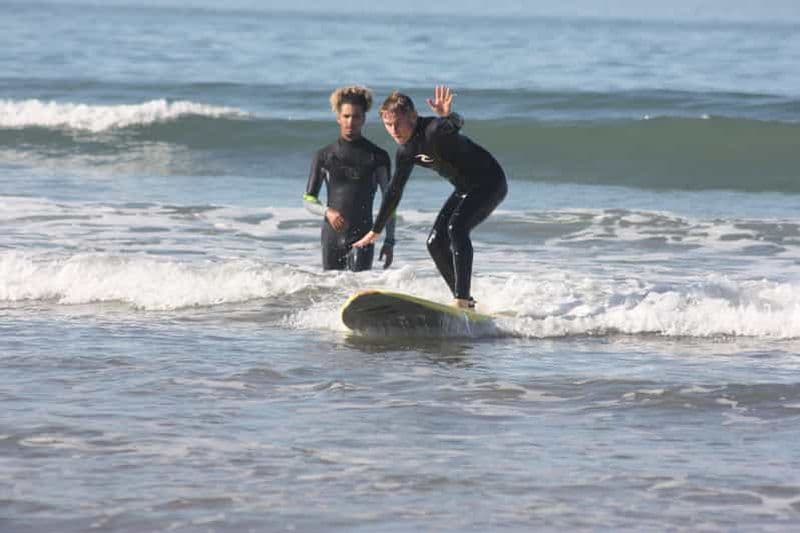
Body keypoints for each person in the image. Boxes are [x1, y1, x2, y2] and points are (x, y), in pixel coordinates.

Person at [353, 86, 507, 309]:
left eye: (398, 123)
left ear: (413, 117)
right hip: (465, 188)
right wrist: (376, 229)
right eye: (388, 124)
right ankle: (466, 300)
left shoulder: (434, 129)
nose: (394, 130)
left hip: (490, 182)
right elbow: (395, 190)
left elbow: (457, 123)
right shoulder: (405, 152)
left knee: (456, 228)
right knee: (435, 242)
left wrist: (447, 115)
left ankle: (461, 300)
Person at [304, 86, 396, 271]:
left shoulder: (377, 157)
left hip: (364, 237)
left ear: (363, 119)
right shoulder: (324, 156)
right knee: (331, 291)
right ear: (338, 118)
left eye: (356, 116)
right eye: (346, 116)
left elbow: (390, 202)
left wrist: (389, 241)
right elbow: (309, 200)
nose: (350, 122)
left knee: (358, 290)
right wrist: (328, 212)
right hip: (332, 237)